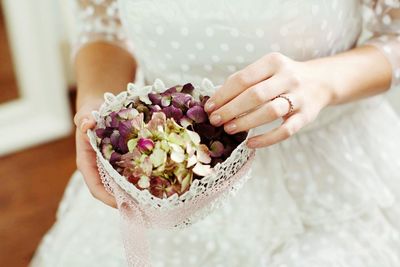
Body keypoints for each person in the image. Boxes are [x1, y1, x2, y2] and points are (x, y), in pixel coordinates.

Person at [31, 0, 400, 266]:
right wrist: (100, 108)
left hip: (329, 170)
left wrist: (323, 82)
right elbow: (103, 28)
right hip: (168, 175)